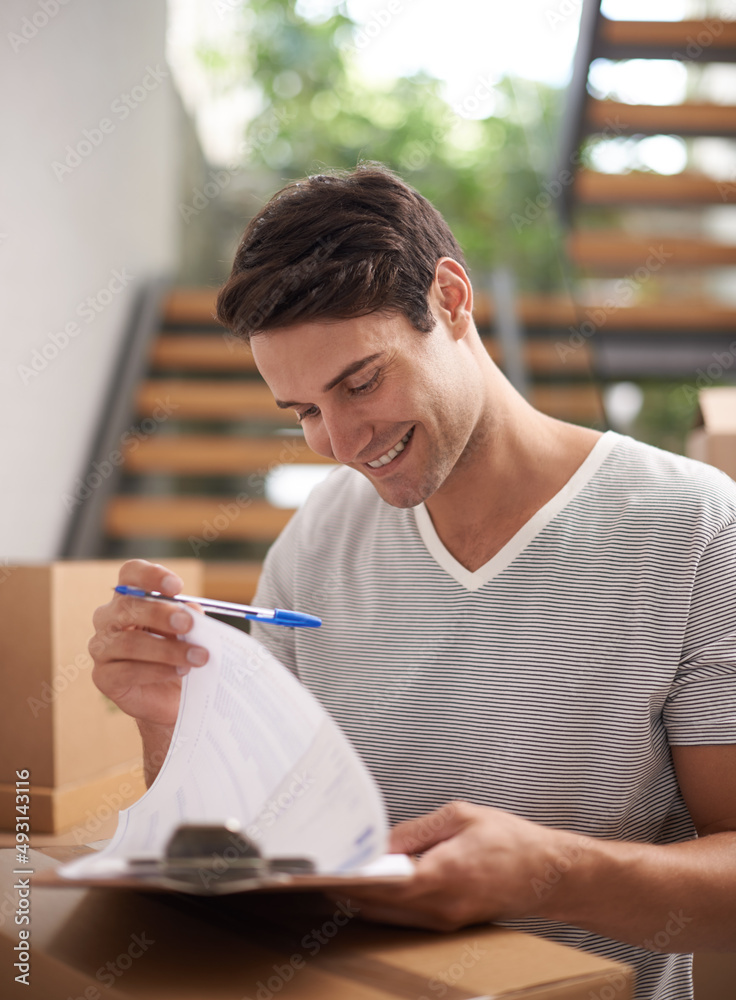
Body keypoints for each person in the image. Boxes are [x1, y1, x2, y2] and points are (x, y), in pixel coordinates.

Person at [90, 165, 736, 1000]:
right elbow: (248, 851)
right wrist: (175, 724)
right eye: (305, 412)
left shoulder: (694, 530)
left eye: (361, 382)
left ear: (453, 300)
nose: (340, 440)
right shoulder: (313, 546)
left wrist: (550, 873)